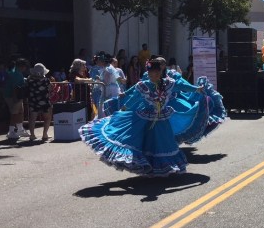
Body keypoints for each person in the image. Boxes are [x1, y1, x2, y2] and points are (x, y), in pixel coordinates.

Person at [80, 57, 210, 177]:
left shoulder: (168, 83)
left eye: (157, 72)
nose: (155, 74)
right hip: (146, 119)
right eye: (152, 72)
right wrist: (123, 109)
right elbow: (133, 99)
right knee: (146, 144)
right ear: (148, 73)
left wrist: (196, 89)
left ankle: (165, 167)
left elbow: (183, 86)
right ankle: (150, 167)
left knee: (164, 144)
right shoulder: (143, 85)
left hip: (162, 120)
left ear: (161, 71)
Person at [4, 58, 30, 140]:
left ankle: (20, 129)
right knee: (14, 114)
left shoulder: (15, 72)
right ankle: (11, 131)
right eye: (25, 66)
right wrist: (15, 99)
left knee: (20, 112)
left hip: (14, 96)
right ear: (21, 66)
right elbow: (15, 88)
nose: (25, 68)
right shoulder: (17, 74)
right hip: (13, 96)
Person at [27, 63, 53, 142]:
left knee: (32, 118)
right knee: (47, 118)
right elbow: (50, 88)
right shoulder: (45, 80)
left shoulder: (29, 79)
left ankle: (32, 135)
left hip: (33, 100)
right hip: (44, 101)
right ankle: (45, 134)